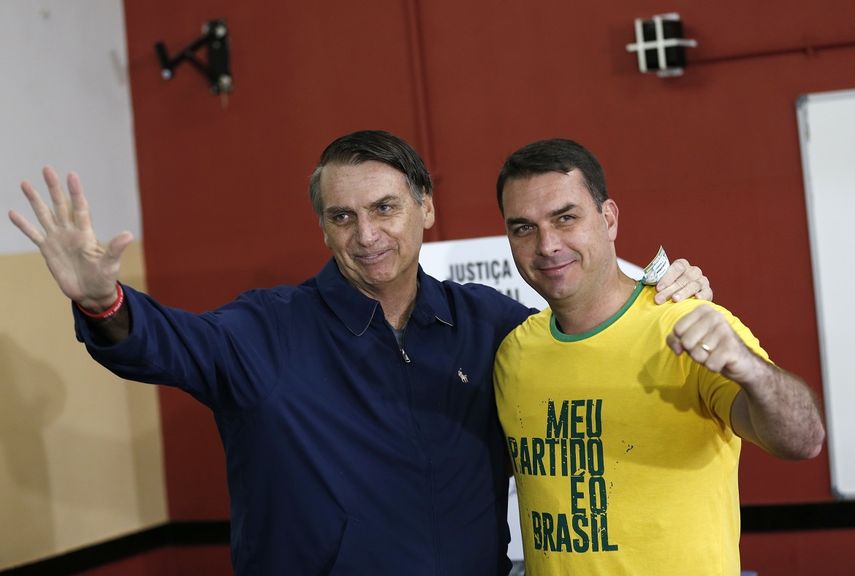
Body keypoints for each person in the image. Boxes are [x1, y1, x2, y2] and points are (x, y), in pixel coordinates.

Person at [9, 130, 711, 575]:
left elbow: (586, 325)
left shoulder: (495, 326)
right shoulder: (263, 331)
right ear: (322, 229)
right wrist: (105, 304)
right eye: (341, 217)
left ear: (425, 209)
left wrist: (660, 289)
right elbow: (165, 344)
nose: (365, 233)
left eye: (384, 208)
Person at [492, 138, 826, 576]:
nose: (547, 244)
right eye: (523, 228)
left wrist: (753, 372)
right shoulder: (513, 353)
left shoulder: (687, 324)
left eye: (565, 218)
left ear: (608, 219)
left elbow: (803, 440)